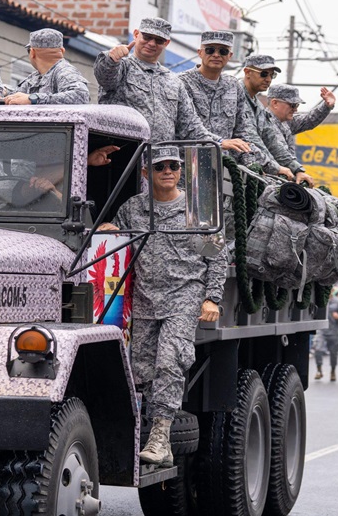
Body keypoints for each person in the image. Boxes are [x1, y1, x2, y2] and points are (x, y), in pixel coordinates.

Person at [98, 146, 227, 467]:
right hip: (145, 298)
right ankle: (148, 436)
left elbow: (216, 256)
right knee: (142, 370)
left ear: (182, 171)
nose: (168, 171)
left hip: (184, 296)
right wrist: (109, 231)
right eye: (159, 167)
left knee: (170, 362)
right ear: (146, 173)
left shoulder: (196, 209)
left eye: (173, 166)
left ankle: (160, 437)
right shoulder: (134, 208)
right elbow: (118, 241)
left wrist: (212, 297)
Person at [93, 17, 221, 145]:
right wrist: (111, 59)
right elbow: (104, 77)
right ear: (136, 34)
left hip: (161, 155)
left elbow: (190, 125)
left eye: (159, 40)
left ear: (166, 43)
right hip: (123, 151)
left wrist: (219, 142)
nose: (152, 43)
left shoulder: (173, 81)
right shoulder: (121, 67)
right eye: (147, 37)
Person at [176, 31, 257, 158]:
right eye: (210, 50)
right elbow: (186, 126)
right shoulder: (182, 82)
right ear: (200, 53)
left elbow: (241, 133)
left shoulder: (234, 86)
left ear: (230, 55)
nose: (216, 55)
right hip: (187, 161)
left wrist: (251, 163)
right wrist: (220, 142)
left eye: (223, 51)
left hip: (224, 164)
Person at [0, 28, 90, 105]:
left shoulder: (65, 71)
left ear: (32, 53)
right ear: (62, 51)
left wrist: (33, 99)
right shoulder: (36, 77)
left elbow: (81, 96)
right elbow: (18, 95)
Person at [238, 54, 298, 182]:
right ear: (247, 72)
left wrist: (297, 169)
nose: (268, 79)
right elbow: (250, 138)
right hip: (229, 170)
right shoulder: (234, 95)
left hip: (250, 173)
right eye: (264, 74)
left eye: (272, 75)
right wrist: (275, 167)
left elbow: (271, 141)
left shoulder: (258, 106)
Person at [268, 83, 335, 158]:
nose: (295, 110)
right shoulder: (262, 123)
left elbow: (309, 120)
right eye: (292, 105)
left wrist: (326, 106)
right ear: (275, 103)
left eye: (297, 105)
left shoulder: (285, 122)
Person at [314, 287, 338, 381]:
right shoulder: (319, 299)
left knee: (333, 353)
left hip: (334, 330)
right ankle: (319, 370)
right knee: (318, 349)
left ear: (333, 290)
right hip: (321, 330)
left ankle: (333, 371)